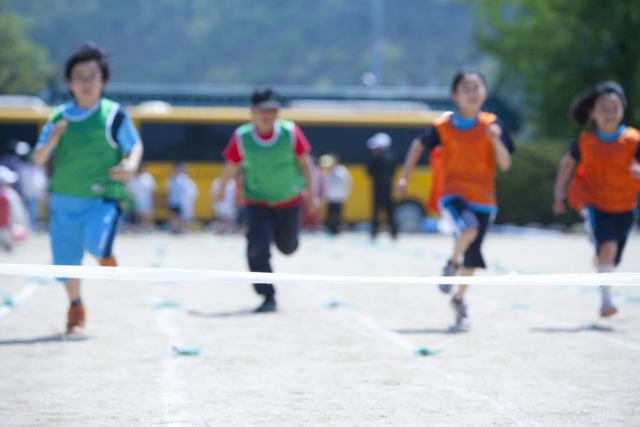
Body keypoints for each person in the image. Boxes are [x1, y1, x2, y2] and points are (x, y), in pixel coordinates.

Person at [32, 42, 144, 333]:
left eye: (92, 76)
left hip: (101, 198)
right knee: (65, 263)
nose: (85, 83)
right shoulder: (59, 117)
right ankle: (76, 305)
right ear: (69, 82)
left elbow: (134, 146)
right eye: (79, 77)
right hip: (63, 202)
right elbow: (38, 158)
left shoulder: (114, 115)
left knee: (97, 243)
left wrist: (130, 166)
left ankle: (105, 252)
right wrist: (52, 141)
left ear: (103, 81)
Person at [396, 68, 514, 327]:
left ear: (485, 92)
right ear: (455, 95)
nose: (472, 92)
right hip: (452, 195)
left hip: (484, 199)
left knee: (472, 259)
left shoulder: (492, 125)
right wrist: (405, 176)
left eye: (477, 87)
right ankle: (450, 264)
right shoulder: (444, 126)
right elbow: (418, 145)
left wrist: (495, 142)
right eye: (466, 88)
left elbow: (505, 164)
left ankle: (459, 300)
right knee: (468, 228)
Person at [217, 86, 319, 312]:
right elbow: (230, 166)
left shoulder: (290, 133)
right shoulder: (242, 137)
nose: (269, 115)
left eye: (274, 110)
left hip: (290, 201)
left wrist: (313, 195)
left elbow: (306, 165)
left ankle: (285, 240)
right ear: (252, 110)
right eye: (264, 110)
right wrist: (221, 190)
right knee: (257, 247)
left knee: (287, 247)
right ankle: (267, 295)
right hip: (257, 202)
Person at [553, 81, 640, 318]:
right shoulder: (585, 141)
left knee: (612, 257)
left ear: (622, 109)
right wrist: (559, 191)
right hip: (591, 201)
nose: (609, 113)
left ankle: (601, 255)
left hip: (625, 205)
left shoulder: (633, 140)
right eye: (603, 108)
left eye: (614, 107)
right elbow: (567, 162)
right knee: (608, 246)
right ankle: (606, 301)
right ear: (592, 112)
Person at [367, 133, 398, 239]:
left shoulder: (377, 158)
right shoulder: (392, 156)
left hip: (378, 187)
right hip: (389, 187)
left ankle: (374, 232)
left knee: (376, 212)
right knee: (389, 212)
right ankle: (394, 232)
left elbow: (370, 172)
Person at [320, 154, 352, 234]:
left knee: (337, 214)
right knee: (330, 213)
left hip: (339, 197)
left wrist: (345, 195)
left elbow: (347, 184)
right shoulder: (329, 171)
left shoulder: (342, 171)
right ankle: (331, 228)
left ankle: (336, 229)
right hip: (331, 196)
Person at [165, 162, 199, 233]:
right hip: (174, 201)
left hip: (181, 202)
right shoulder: (172, 179)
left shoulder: (184, 180)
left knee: (181, 216)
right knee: (175, 216)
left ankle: (180, 229)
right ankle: (176, 229)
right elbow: (169, 190)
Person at [19, 155, 48, 231]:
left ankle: (33, 227)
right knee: (28, 211)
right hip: (28, 193)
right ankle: (30, 228)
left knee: (34, 211)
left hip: (35, 193)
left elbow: (41, 180)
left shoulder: (37, 168)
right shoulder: (24, 167)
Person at [126, 164, 157, 231]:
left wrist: (154, 203)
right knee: (139, 218)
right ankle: (141, 229)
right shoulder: (133, 178)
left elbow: (153, 192)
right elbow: (129, 192)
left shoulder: (148, 178)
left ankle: (149, 229)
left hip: (147, 202)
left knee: (148, 217)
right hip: (137, 202)